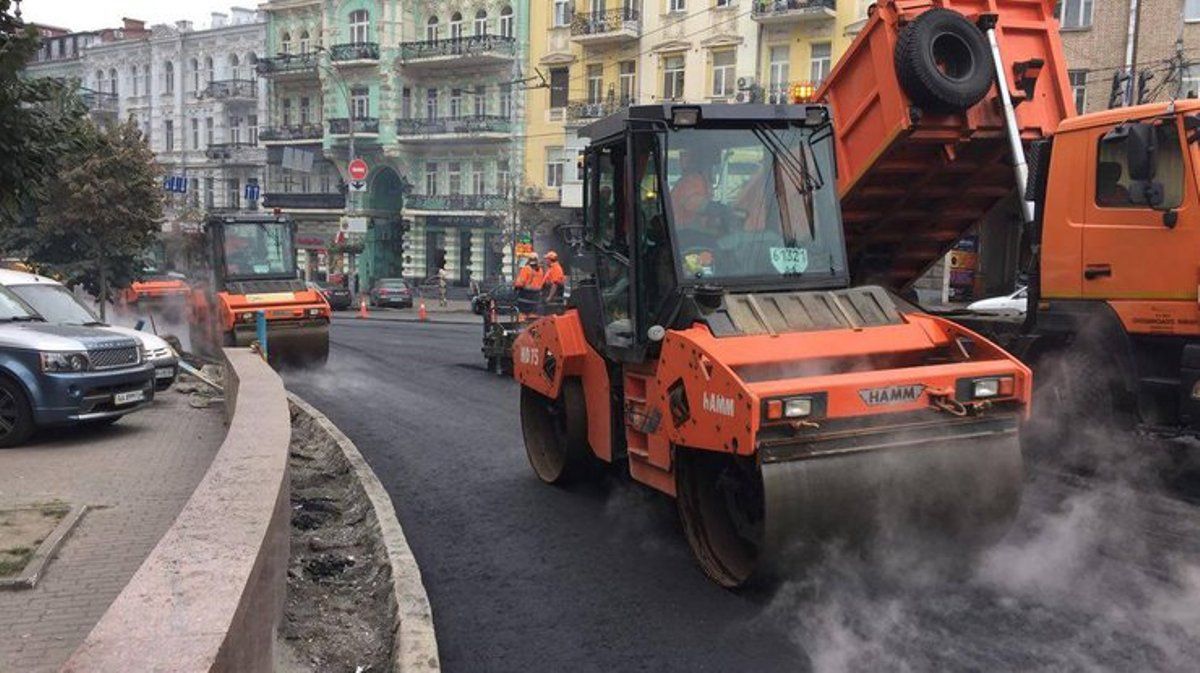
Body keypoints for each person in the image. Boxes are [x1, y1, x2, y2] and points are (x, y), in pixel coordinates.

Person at [513, 254, 545, 319]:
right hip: (536, 296)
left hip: (526, 296)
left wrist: (515, 284)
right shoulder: (540, 270)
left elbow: (519, 283)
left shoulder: (526, 269)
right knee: (534, 315)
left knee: (523, 315)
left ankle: (522, 325)